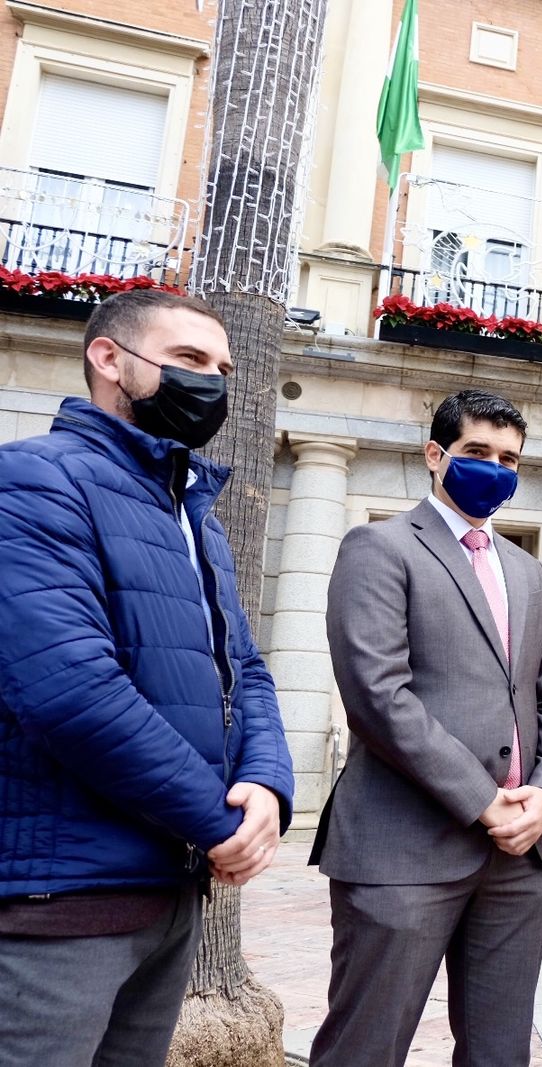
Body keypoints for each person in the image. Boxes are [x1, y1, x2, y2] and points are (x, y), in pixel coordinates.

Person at [0, 289, 293, 1066]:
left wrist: (266, 786)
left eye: (223, 369)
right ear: (108, 358)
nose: (213, 383)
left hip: (170, 893)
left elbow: (246, 671)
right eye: (190, 360)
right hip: (61, 901)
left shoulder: (194, 513)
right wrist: (218, 822)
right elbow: (69, 690)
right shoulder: (32, 481)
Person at [309, 388, 542, 1067]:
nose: (496, 467)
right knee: (365, 1048)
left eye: (510, 458)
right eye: (477, 452)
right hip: (404, 846)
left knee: (500, 1052)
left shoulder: (529, 571)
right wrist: (486, 801)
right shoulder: (378, 547)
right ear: (436, 456)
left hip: (520, 856)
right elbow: (378, 695)